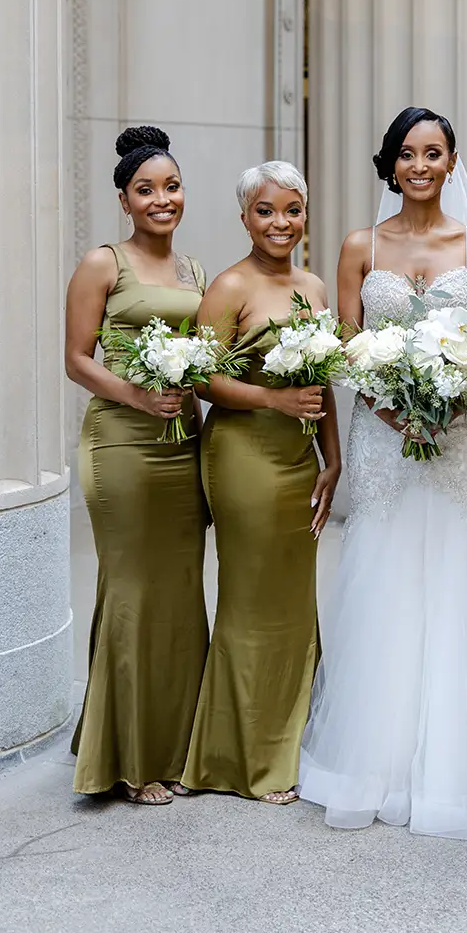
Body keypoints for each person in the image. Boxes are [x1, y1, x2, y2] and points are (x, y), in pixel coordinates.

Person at [299, 107, 467, 839]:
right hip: (384, 433)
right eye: (407, 154)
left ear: (453, 164)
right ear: (391, 164)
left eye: (434, 153)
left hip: (462, 432)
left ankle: (461, 763)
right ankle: (378, 761)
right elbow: (348, 344)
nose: (420, 166)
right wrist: (395, 409)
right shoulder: (361, 245)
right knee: (387, 568)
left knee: (461, 565)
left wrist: (450, 398)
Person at [180, 163, 341, 805]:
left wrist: (332, 459)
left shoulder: (315, 286)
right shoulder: (228, 287)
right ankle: (242, 759)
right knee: (250, 600)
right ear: (245, 218)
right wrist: (274, 404)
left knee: (295, 600)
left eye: (292, 210)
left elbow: (323, 382)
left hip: (300, 457)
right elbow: (200, 378)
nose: (281, 223)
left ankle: (292, 742)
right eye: (266, 211)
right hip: (244, 455)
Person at [65, 125, 210, 806]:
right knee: (130, 586)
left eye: (172, 187)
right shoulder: (104, 264)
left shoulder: (194, 273)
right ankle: (126, 759)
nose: (162, 200)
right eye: (146, 190)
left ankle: (178, 744)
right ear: (124, 199)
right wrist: (136, 394)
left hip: (183, 445)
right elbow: (76, 360)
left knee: (180, 590)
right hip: (119, 443)